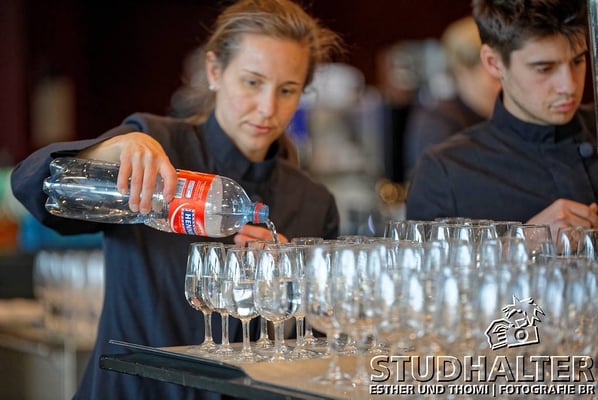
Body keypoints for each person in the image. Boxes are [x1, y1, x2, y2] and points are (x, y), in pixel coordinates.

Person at [10, 0, 343, 398]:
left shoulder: (313, 202)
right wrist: (113, 149)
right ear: (214, 71)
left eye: (287, 90)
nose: (267, 108)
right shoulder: (157, 144)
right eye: (252, 83)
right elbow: (30, 184)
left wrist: (290, 290)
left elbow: (324, 344)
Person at [405, 0, 598, 240]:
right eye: (544, 68)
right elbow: (426, 265)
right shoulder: (445, 173)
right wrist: (520, 244)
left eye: (578, 61)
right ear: (493, 62)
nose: (569, 86)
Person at [402, 15, 501, 179]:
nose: (502, 86)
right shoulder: (439, 126)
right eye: (494, 78)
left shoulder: (497, 116)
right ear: (463, 72)